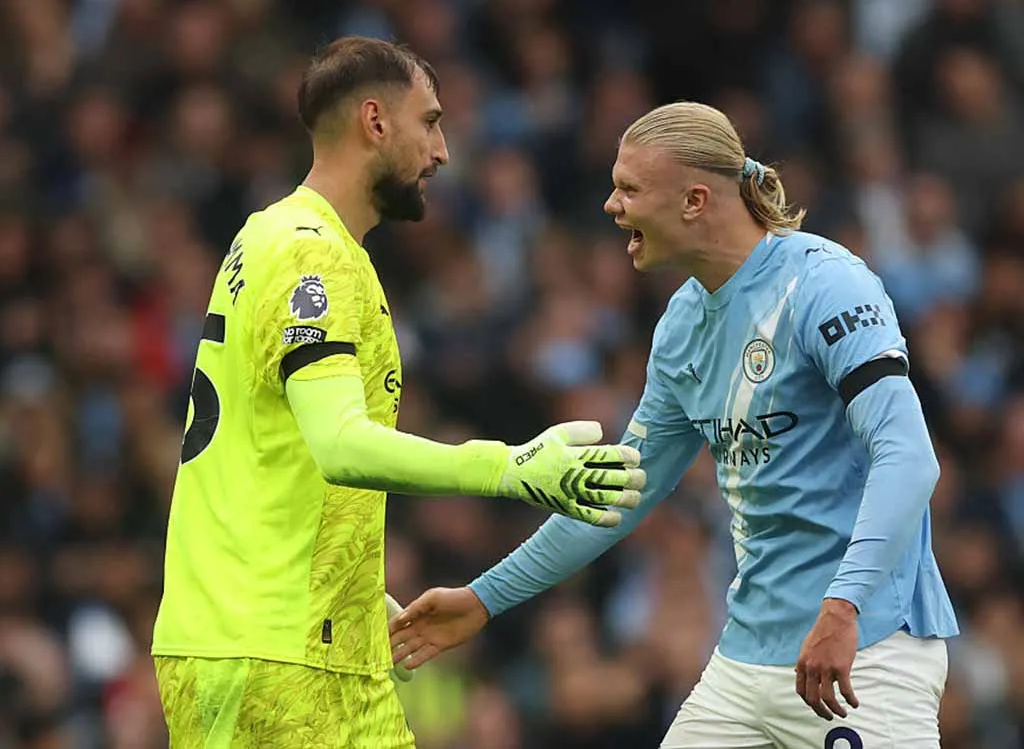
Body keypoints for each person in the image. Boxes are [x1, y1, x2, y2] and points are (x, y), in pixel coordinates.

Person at [389, 102, 959, 748]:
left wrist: (843, 606)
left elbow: (910, 458)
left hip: (867, 648)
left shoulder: (828, 285)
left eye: (629, 188)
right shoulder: (682, 326)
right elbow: (614, 498)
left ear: (693, 200)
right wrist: (484, 598)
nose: (611, 205)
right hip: (749, 661)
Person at [149, 37, 645, 748]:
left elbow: (264, 449)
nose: (442, 151)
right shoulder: (309, 255)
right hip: (273, 655)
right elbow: (339, 444)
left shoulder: (275, 237)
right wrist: (511, 469)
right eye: (430, 122)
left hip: (308, 643)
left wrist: (353, 594)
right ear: (375, 123)